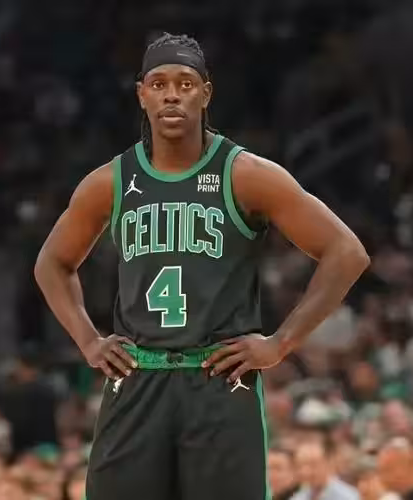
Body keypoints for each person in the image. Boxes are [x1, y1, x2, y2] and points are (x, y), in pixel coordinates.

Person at [34, 32, 369, 500]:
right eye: (159, 84)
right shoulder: (110, 181)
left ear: (206, 94)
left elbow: (346, 252)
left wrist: (281, 343)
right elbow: (52, 263)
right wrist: (88, 341)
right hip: (137, 377)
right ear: (142, 95)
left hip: (218, 380)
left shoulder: (246, 174)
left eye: (185, 84)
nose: (172, 95)